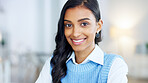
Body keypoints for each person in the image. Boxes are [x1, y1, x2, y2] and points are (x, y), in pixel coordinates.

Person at [35, 0, 128, 83]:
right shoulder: (54, 63)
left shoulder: (114, 65)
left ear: (98, 26)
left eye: (84, 24)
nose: (75, 33)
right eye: (68, 25)